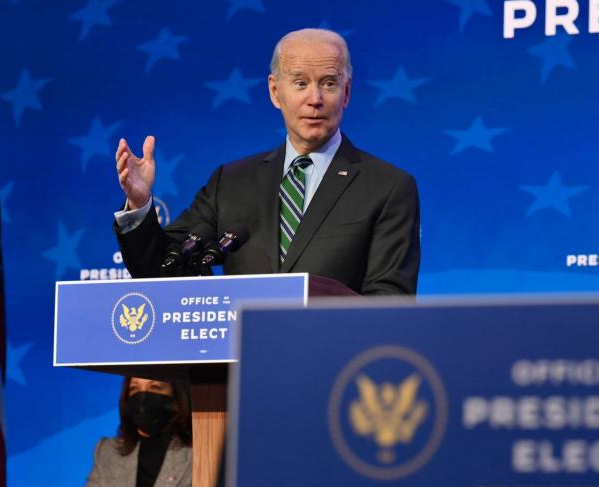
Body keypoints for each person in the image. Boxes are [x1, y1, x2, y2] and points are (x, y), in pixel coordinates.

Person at [113, 28, 420, 295]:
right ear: (275, 91)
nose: (315, 98)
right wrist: (140, 205)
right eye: (300, 83)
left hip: (333, 358)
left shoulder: (387, 187)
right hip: (241, 359)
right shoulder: (230, 183)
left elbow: (389, 301)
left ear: (347, 92)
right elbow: (164, 270)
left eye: (328, 83)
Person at [70, 377, 192, 487]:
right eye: (134, 389)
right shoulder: (107, 451)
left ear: (177, 401)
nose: (143, 397)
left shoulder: (196, 455)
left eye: (154, 388)